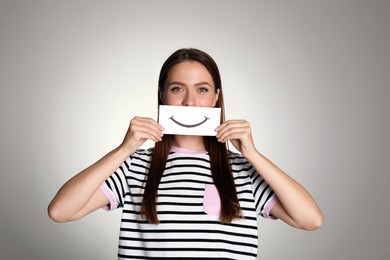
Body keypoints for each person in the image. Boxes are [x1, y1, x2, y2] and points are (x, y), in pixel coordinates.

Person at [48, 48, 323, 259]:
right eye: (177, 89)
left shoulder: (244, 170)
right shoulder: (134, 166)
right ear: (163, 96)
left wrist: (254, 155)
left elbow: (311, 219)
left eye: (202, 90)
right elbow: (61, 211)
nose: (190, 101)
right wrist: (124, 149)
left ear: (216, 96)